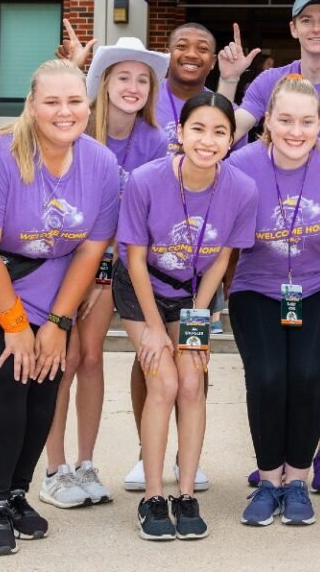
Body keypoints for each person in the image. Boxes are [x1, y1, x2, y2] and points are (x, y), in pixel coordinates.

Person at [0, 59, 119, 555]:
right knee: (7, 375)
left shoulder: (102, 164)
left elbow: (91, 248)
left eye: (75, 102)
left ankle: (20, 493)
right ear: (32, 105)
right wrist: (17, 325)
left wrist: (58, 324)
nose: (65, 112)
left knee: (47, 376)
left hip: (51, 282)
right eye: (52, 102)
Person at [218, 0, 320, 493]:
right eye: (306, 20)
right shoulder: (269, 81)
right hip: (268, 251)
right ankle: (277, 457)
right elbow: (229, 130)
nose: (315, 28)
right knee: (274, 370)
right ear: (293, 29)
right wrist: (227, 82)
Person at [113, 91, 257, 541]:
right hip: (143, 289)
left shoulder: (241, 188)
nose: (207, 140)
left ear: (232, 140)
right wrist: (155, 330)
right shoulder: (145, 180)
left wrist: (197, 319)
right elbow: (134, 260)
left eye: (219, 132)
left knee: (192, 383)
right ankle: (153, 496)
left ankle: (187, 492)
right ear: (180, 132)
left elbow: (220, 260)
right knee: (165, 382)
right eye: (198, 129)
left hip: (194, 293)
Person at [41, 38, 169, 508]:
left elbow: (147, 216)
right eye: (123, 77)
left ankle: (86, 463)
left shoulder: (156, 141)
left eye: (142, 79)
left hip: (111, 266)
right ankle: (54, 469)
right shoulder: (76, 128)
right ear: (104, 82)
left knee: (90, 357)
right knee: (62, 360)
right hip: (58, 261)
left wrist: (101, 278)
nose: (132, 87)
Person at [226, 74, 320, 527]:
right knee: (267, 378)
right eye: (285, 120)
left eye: (306, 121)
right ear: (268, 120)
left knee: (306, 375)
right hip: (256, 287)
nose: (295, 131)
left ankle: (297, 480)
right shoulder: (240, 163)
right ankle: (268, 481)